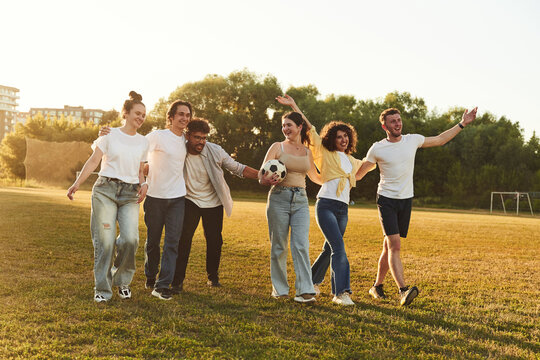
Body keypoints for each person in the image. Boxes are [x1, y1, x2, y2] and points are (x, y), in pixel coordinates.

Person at [356, 106, 478, 306]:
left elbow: (440, 139)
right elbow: (360, 173)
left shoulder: (412, 140)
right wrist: (339, 174)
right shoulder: (377, 148)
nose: (398, 124)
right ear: (384, 125)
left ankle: (376, 286)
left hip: (406, 200)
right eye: (393, 121)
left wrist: (462, 123)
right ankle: (403, 290)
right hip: (386, 199)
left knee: (388, 246)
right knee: (395, 245)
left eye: (399, 120)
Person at [276, 94, 375, 306]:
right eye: (339, 136)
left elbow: (367, 165)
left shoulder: (351, 161)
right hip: (326, 206)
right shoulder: (324, 151)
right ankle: (341, 293)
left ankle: (310, 282)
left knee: (329, 249)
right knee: (339, 248)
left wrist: (382, 153)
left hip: (343, 209)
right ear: (332, 138)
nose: (343, 139)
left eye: (346, 136)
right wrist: (294, 105)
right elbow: (309, 128)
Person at [100, 100, 193, 301]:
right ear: (171, 117)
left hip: (177, 197)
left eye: (187, 115)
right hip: (155, 197)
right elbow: (134, 144)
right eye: (181, 115)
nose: (185, 118)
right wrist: (107, 136)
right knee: (152, 242)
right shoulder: (158, 136)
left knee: (172, 242)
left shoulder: (186, 140)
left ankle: (161, 286)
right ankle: (150, 276)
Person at [67, 91, 149, 303]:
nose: (141, 118)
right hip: (105, 190)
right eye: (137, 113)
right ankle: (102, 289)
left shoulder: (143, 142)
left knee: (131, 240)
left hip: (130, 193)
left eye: (144, 115)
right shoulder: (109, 134)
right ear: (126, 113)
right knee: (105, 242)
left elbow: (140, 170)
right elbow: (94, 160)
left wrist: (144, 184)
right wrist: (77, 184)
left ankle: (121, 280)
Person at [171, 118, 260, 292]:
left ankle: (213, 277)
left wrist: (262, 176)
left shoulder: (215, 150)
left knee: (215, 240)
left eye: (204, 138)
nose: (201, 142)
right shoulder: (178, 148)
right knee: (184, 239)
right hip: (189, 200)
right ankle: (177, 281)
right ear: (187, 135)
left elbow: (238, 168)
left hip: (213, 201)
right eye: (197, 138)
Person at [259, 107, 322, 303]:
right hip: (279, 197)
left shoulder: (306, 151)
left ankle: (305, 289)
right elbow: (262, 176)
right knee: (278, 246)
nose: (285, 129)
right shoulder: (277, 147)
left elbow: (315, 176)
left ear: (300, 126)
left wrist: (337, 178)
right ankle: (280, 289)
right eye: (283, 126)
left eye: (289, 125)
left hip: (301, 199)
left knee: (301, 244)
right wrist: (267, 180)